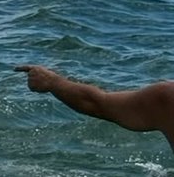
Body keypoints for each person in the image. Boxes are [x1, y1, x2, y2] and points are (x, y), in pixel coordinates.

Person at [16, 64, 174, 153]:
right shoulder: (166, 97)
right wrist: (53, 83)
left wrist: (53, 82)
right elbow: (97, 102)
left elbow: (96, 103)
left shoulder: (167, 97)